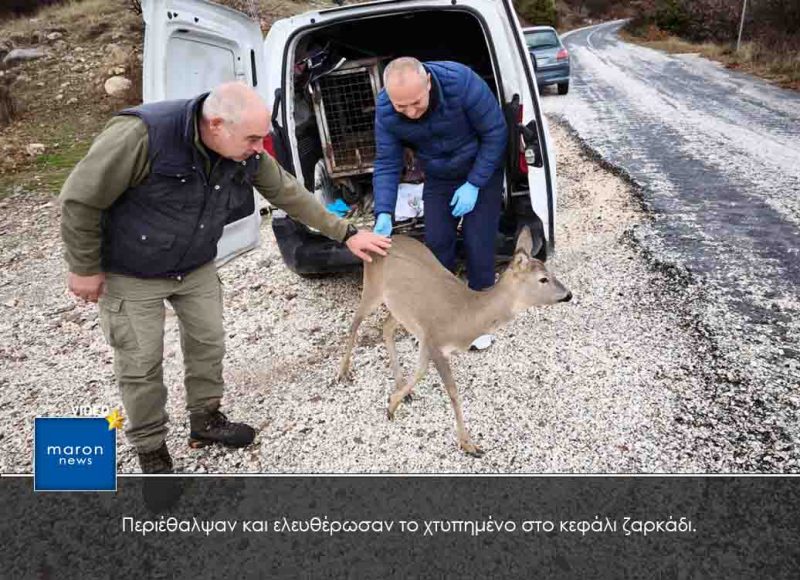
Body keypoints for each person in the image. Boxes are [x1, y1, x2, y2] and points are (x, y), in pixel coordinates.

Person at [60, 82, 391, 474]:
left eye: (262, 138)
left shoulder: (243, 151)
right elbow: (80, 198)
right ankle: (151, 449)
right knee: (140, 362)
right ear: (216, 124)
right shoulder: (142, 136)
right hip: (133, 270)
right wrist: (84, 267)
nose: (258, 147)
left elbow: (288, 193)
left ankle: (205, 421)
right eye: (253, 139)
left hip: (196, 265)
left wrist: (347, 234)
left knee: (208, 343)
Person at [372, 58, 507, 350]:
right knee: (436, 242)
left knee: (478, 240)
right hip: (439, 176)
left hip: (480, 170)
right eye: (401, 107)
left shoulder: (461, 83)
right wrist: (384, 211)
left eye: (416, 103)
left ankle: (479, 316)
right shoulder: (386, 110)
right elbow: (386, 162)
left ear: (429, 83)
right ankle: (440, 312)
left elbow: (496, 132)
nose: (410, 112)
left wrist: (474, 183)